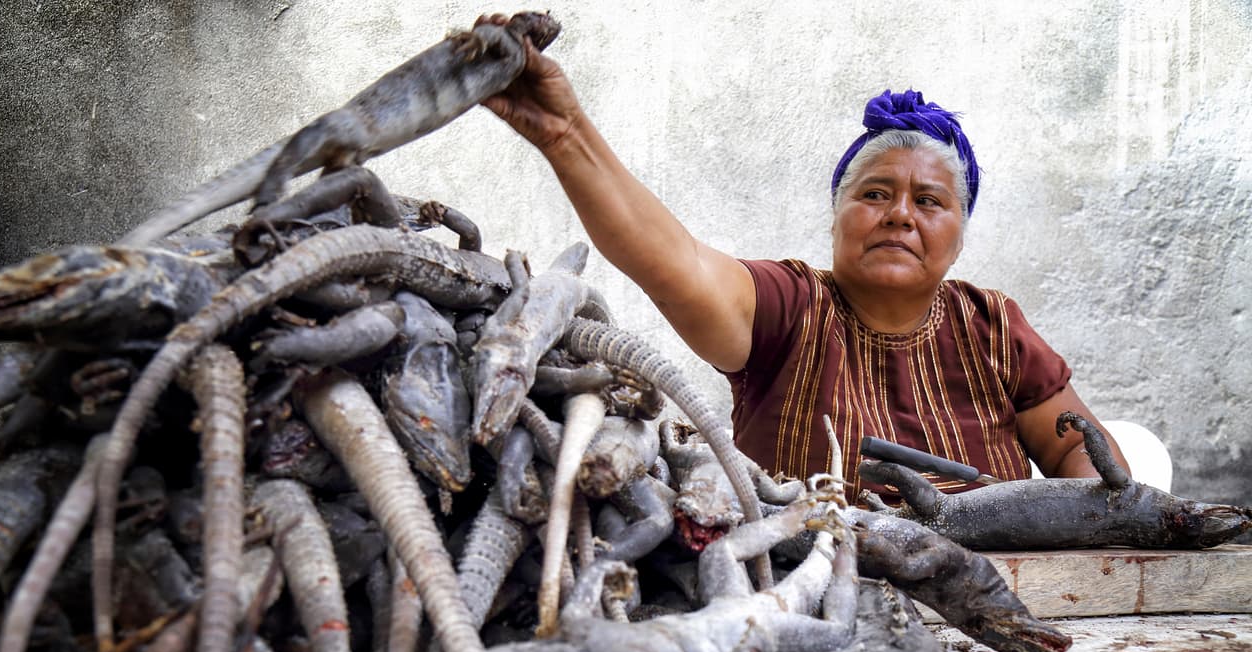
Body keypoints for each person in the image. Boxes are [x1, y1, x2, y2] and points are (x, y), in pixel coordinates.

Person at [479, 20, 1128, 499]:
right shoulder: (790, 308)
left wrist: (1080, 522)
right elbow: (672, 261)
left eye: (928, 200)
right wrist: (565, 134)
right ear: (836, 217)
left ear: (960, 237)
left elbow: (1080, 452)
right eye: (874, 194)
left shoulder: (994, 327)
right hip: (816, 605)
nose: (899, 212)